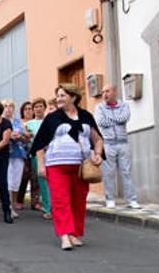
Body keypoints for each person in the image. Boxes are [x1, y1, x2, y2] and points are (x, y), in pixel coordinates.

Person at [30, 84, 104, 250]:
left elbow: (97, 139)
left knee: (78, 201)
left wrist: (97, 153)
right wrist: (41, 165)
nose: (59, 99)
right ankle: (64, 235)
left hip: (80, 166)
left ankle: (74, 234)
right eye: (58, 96)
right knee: (60, 200)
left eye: (62, 96)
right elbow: (39, 144)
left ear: (73, 97)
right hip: (56, 165)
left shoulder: (85, 116)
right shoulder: (52, 118)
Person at [96, 84, 140, 209]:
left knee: (126, 172)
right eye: (103, 91)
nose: (104, 94)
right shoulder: (99, 107)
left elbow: (125, 117)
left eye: (107, 91)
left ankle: (132, 200)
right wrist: (117, 120)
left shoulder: (124, 105)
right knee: (108, 173)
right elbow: (100, 122)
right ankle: (110, 199)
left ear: (114, 92)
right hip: (107, 144)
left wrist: (111, 118)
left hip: (123, 142)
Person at [26, 98, 52, 219]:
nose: (38, 109)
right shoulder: (28, 124)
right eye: (36, 107)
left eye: (41, 106)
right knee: (43, 181)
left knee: (55, 181)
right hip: (37, 155)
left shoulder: (50, 121)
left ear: (44, 108)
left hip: (52, 153)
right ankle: (47, 208)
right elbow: (28, 141)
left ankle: (57, 207)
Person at [5, 99, 28, 217]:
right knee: (8, 181)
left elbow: (26, 138)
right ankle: (8, 207)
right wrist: (8, 136)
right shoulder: (1, 122)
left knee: (16, 182)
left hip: (18, 153)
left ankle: (13, 205)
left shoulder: (19, 122)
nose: (8, 108)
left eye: (10, 106)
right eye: (6, 106)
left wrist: (20, 136)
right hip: (5, 154)